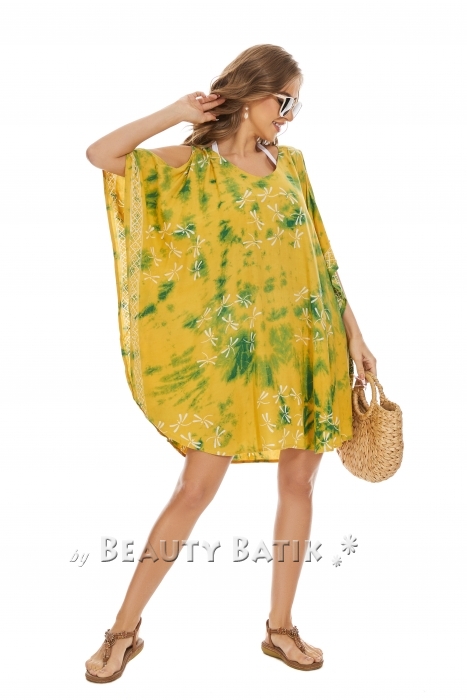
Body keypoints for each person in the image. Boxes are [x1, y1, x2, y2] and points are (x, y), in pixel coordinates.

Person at [84, 44, 377, 681]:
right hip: (233, 361)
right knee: (195, 489)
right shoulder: (193, 166)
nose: (290, 115)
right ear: (251, 95)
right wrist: (175, 111)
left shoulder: (292, 166)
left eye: (296, 104)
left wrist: (354, 335)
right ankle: (123, 631)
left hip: (306, 346)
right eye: (285, 100)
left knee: (299, 485)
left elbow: (321, 259)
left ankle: (280, 628)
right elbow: (102, 155)